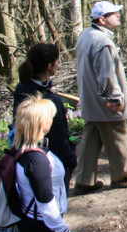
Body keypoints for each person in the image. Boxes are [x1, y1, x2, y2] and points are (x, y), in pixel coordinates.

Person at [12, 95, 81, 232]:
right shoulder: (37, 161)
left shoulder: (23, 150)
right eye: (51, 117)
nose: (54, 120)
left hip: (32, 223)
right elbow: (46, 203)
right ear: (43, 123)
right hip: (41, 227)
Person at [73, 1, 127, 195]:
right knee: (117, 136)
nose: (118, 15)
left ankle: (84, 180)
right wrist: (115, 99)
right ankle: (122, 177)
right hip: (105, 103)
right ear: (102, 19)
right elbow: (107, 75)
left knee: (91, 140)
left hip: (90, 100)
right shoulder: (103, 42)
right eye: (113, 13)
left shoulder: (86, 35)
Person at [13, 44, 78, 190]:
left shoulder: (22, 88)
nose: (58, 64)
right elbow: (58, 136)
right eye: (56, 61)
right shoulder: (50, 100)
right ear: (49, 66)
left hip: (25, 157)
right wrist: (71, 160)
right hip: (51, 162)